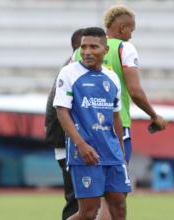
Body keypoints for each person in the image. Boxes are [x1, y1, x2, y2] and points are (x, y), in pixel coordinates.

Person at [73, 4, 168, 163]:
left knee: (92, 185)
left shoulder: (78, 53)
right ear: (122, 28)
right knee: (116, 184)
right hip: (115, 126)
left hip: (84, 128)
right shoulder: (125, 48)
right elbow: (135, 91)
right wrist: (154, 116)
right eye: (131, 30)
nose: (131, 35)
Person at [54, 27, 131, 220]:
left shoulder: (112, 77)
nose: (87, 51)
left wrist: (120, 153)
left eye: (93, 47)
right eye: (83, 47)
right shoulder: (69, 73)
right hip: (85, 152)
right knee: (88, 212)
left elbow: (115, 117)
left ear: (105, 50)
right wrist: (81, 144)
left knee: (119, 206)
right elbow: (62, 112)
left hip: (111, 153)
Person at [45, 28, 83, 220]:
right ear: (78, 47)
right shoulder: (70, 72)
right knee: (77, 199)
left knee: (81, 199)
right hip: (67, 144)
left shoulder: (72, 69)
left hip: (66, 143)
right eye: (87, 46)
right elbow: (59, 110)